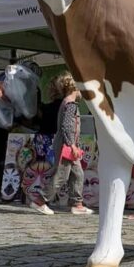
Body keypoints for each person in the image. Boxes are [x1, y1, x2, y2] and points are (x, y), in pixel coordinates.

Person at [29, 72, 94, 215]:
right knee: (61, 175)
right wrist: (72, 145)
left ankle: (77, 204)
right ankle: (40, 201)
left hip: (68, 143)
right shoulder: (70, 104)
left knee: (78, 174)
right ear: (74, 88)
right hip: (67, 144)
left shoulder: (67, 102)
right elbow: (66, 126)